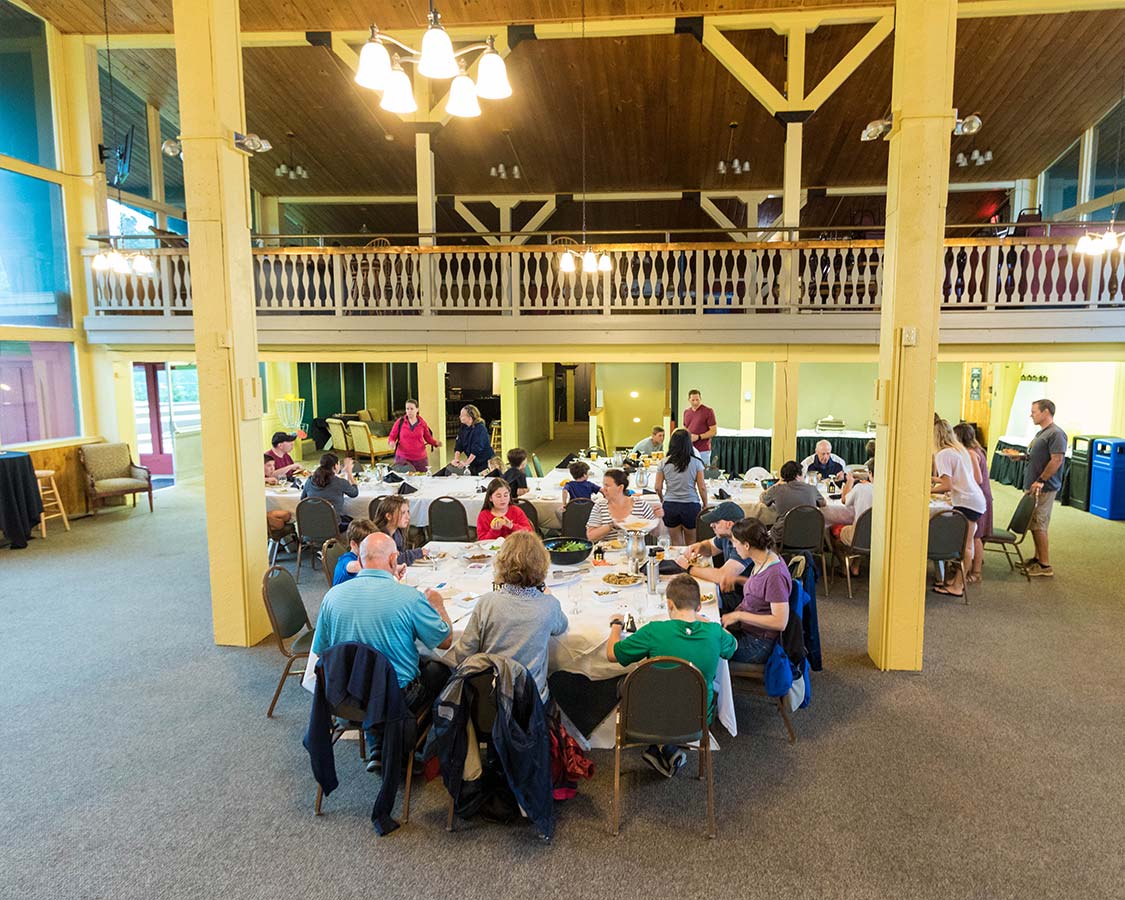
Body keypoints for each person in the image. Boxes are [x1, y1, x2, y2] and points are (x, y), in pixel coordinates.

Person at [311, 533, 452, 770]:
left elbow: (322, 651)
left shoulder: (332, 596)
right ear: (393, 559)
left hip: (344, 695)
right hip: (394, 696)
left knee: (375, 672)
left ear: (361, 560)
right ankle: (408, 744)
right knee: (442, 671)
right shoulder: (409, 598)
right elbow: (445, 641)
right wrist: (437, 604)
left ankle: (377, 740)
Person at [606, 574, 736, 777]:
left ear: (669, 604)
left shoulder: (654, 631)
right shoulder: (714, 633)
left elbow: (612, 654)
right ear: (700, 606)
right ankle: (665, 748)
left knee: (624, 684)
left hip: (650, 716)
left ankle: (661, 746)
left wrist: (615, 626)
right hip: (697, 718)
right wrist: (709, 623)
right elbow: (732, 647)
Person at [452, 531, 569, 700]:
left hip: (490, 697)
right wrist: (547, 595)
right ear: (543, 564)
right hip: (531, 699)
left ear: (501, 563)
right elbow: (562, 626)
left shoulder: (487, 602)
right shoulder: (549, 605)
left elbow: (463, 655)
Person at [1000, 399, 1066, 577]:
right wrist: (1021, 457)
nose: (1031, 415)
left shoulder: (1056, 434)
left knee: (1039, 524)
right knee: (1034, 522)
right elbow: (1038, 457)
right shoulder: (1042, 433)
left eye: (1034, 411)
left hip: (1044, 486)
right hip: (1035, 484)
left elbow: (1057, 460)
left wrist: (1041, 480)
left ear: (1046, 412)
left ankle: (1045, 565)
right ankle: (1037, 558)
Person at [720, 519, 792, 664]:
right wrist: (739, 580)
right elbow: (763, 590)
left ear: (746, 545)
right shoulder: (763, 559)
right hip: (747, 630)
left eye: (735, 542)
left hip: (758, 643)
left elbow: (780, 622)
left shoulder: (775, 575)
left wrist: (739, 615)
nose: (734, 546)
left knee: (705, 644)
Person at [931, 418, 987, 598]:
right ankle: (956, 580)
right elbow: (957, 479)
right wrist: (935, 481)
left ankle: (958, 586)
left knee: (966, 545)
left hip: (967, 501)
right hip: (974, 499)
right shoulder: (959, 450)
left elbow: (947, 485)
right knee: (966, 543)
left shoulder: (943, 454)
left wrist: (927, 490)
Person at [676, 501, 754, 611]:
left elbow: (722, 576)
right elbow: (710, 546)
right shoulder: (726, 536)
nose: (711, 525)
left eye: (716, 522)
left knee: (687, 603)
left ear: (729, 524)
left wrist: (689, 568)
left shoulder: (743, 544)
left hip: (741, 600)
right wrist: (699, 546)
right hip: (730, 592)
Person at [954, 422, 993, 583]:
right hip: (982, 496)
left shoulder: (970, 453)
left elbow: (977, 479)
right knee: (976, 535)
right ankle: (969, 567)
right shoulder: (976, 450)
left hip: (978, 497)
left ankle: (976, 572)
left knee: (976, 536)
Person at [655, 428, 708, 547]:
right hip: (690, 505)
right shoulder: (697, 462)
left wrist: (662, 499)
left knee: (676, 544)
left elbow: (657, 487)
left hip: (670, 505)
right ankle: (689, 565)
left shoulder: (663, 462)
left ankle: (676, 565)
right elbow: (702, 488)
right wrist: (705, 503)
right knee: (691, 544)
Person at [585, 469, 658, 542]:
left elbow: (655, 532)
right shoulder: (600, 506)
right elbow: (591, 536)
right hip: (608, 551)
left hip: (635, 549)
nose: (604, 489)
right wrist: (611, 525)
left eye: (607, 486)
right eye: (604, 485)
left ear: (620, 487)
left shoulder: (640, 504)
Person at [762, 460, 825, 544]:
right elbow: (823, 503)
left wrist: (777, 483)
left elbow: (763, 498)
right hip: (810, 536)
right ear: (798, 475)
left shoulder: (777, 489)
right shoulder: (811, 489)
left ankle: (774, 555)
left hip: (783, 537)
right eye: (803, 474)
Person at [835, 463, 874, 576]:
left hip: (859, 535)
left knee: (834, 535)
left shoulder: (861, 488)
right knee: (864, 531)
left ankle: (844, 566)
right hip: (881, 536)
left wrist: (850, 481)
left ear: (870, 474)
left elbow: (844, 500)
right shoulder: (892, 489)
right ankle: (855, 566)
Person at [300, 452, 359, 529]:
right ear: (335, 466)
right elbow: (354, 493)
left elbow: (303, 499)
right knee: (353, 521)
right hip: (333, 526)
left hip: (312, 525)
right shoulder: (340, 482)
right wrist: (349, 473)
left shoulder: (310, 480)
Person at [371, 495, 428, 566]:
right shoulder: (379, 538)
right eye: (403, 513)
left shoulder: (397, 533)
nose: (408, 517)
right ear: (389, 516)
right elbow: (395, 560)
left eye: (408, 512)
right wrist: (418, 553)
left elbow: (400, 555)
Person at [387, 399, 441, 472]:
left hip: (420, 459)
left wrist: (435, 443)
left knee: (422, 479)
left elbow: (428, 438)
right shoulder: (400, 422)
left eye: (412, 409)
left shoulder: (422, 423)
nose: (409, 411)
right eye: (407, 409)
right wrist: (391, 442)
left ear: (417, 409)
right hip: (403, 458)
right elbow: (392, 436)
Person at [332, 517, 379, 586]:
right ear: (353, 544)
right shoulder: (346, 560)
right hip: (346, 596)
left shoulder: (365, 556)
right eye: (367, 544)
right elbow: (356, 566)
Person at [451, 405, 492, 475]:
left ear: (470, 417)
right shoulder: (463, 427)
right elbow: (459, 445)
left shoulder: (480, 428)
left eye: (462, 415)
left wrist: (466, 463)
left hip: (484, 462)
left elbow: (476, 449)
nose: (460, 417)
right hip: (473, 462)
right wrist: (456, 459)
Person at [682, 390, 717, 465]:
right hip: (689, 449)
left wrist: (698, 437)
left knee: (703, 473)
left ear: (700, 399)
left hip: (703, 450)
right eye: (693, 400)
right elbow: (685, 429)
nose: (695, 402)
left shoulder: (708, 411)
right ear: (689, 400)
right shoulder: (686, 412)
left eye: (697, 399)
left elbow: (713, 431)